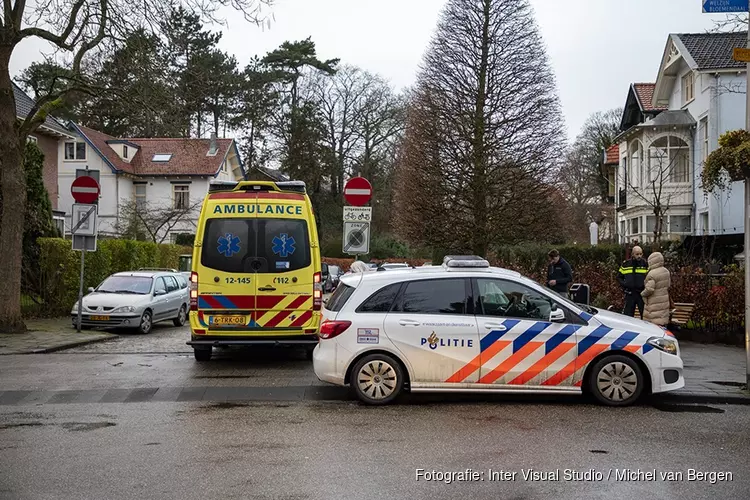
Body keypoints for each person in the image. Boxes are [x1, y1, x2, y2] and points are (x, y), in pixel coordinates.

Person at [617, 245, 648, 319]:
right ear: (633, 254)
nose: (639, 256)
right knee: (628, 316)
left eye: (641, 254)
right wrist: (625, 285)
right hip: (630, 294)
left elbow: (649, 277)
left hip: (641, 293)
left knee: (644, 315)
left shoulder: (645, 264)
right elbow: (619, 277)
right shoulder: (626, 264)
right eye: (637, 254)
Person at [641, 252, 671, 326]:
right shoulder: (666, 271)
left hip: (653, 302)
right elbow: (668, 285)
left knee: (653, 324)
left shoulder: (651, 274)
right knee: (661, 321)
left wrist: (642, 294)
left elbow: (649, 289)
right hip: (664, 300)